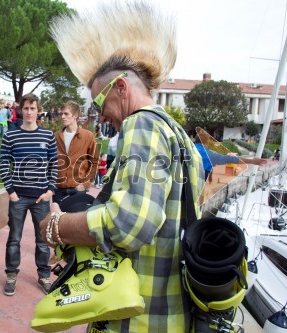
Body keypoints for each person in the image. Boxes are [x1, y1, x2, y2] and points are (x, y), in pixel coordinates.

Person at [43, 2, 206, 332]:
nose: (100, 115)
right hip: (170, 314)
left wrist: (59, 226)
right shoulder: (180, 137)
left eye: (99, 103)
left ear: (120, 87)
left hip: (135, 320)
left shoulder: (142, 125)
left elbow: (130, 223)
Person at [0, 93, 57, 296]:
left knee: (43, 240)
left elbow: (54, 165)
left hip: (41, 197)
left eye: (33, 108)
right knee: (14, 238)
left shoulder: (48, 136)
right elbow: (4, 164)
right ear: (20, 110)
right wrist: (11, 191)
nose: (29, 112)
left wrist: (50, 190)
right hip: (18, 197)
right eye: (26, 108)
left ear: (38, 110)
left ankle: (44, 275)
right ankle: (11, 274)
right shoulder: (10, 136)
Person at [53, 100, 98, 204]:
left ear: (75, 116)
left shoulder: (89, 136)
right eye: (61, 114)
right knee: (57, 219)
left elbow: (95, 161)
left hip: (78, 189)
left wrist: (85, 183)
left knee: (76, 219)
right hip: (58, 189)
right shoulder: (55, 136)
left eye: (66, 114)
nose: (62, 117)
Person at [194, 136, 267, 182]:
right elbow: (229, 159)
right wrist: (252, 161)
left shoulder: (190, 148)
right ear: (206, 143)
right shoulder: (206, 154)